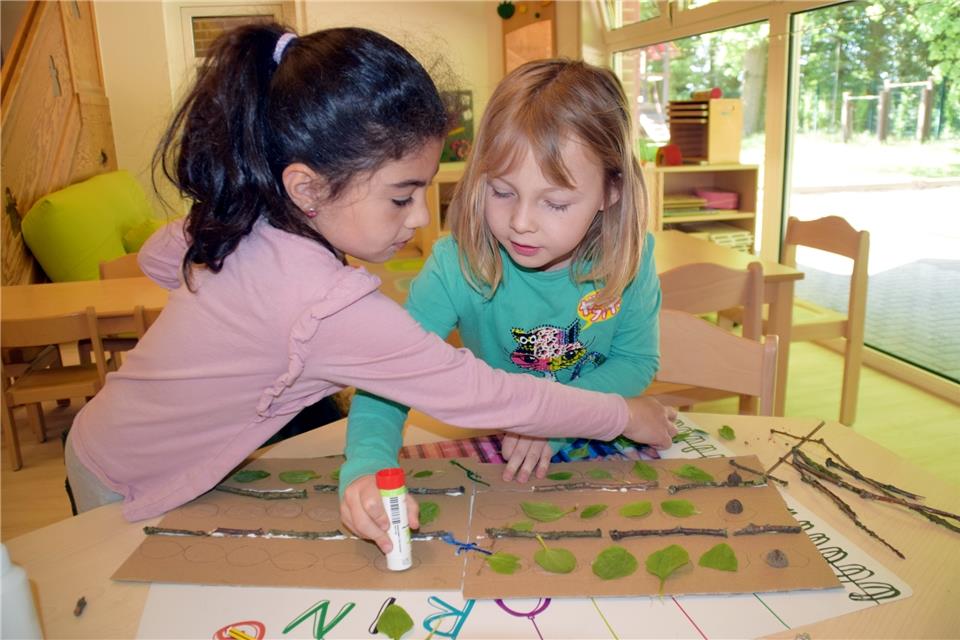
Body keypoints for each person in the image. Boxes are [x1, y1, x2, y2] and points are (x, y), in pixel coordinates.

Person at [64, 26, 676, 523]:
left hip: (113, 439)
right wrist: (627, 415)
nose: (418, 219)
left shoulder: (255, 220)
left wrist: (233, 279)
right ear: (306, 188)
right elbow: (479, 393)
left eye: (555, 202)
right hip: (130, 475)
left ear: (611, 191)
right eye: (401, 196)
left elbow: (156, 259)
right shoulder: (332, 306)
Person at [341, 59, 676, 551]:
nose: (521, 222)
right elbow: (387, 379)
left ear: (611, 191)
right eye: (501, 192)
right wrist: (368, 466)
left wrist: (553, 422)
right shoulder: (455, 265)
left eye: (555, 203)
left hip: (584, 458)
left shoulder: (633, 257)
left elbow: (635, 362)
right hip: (497, 460)